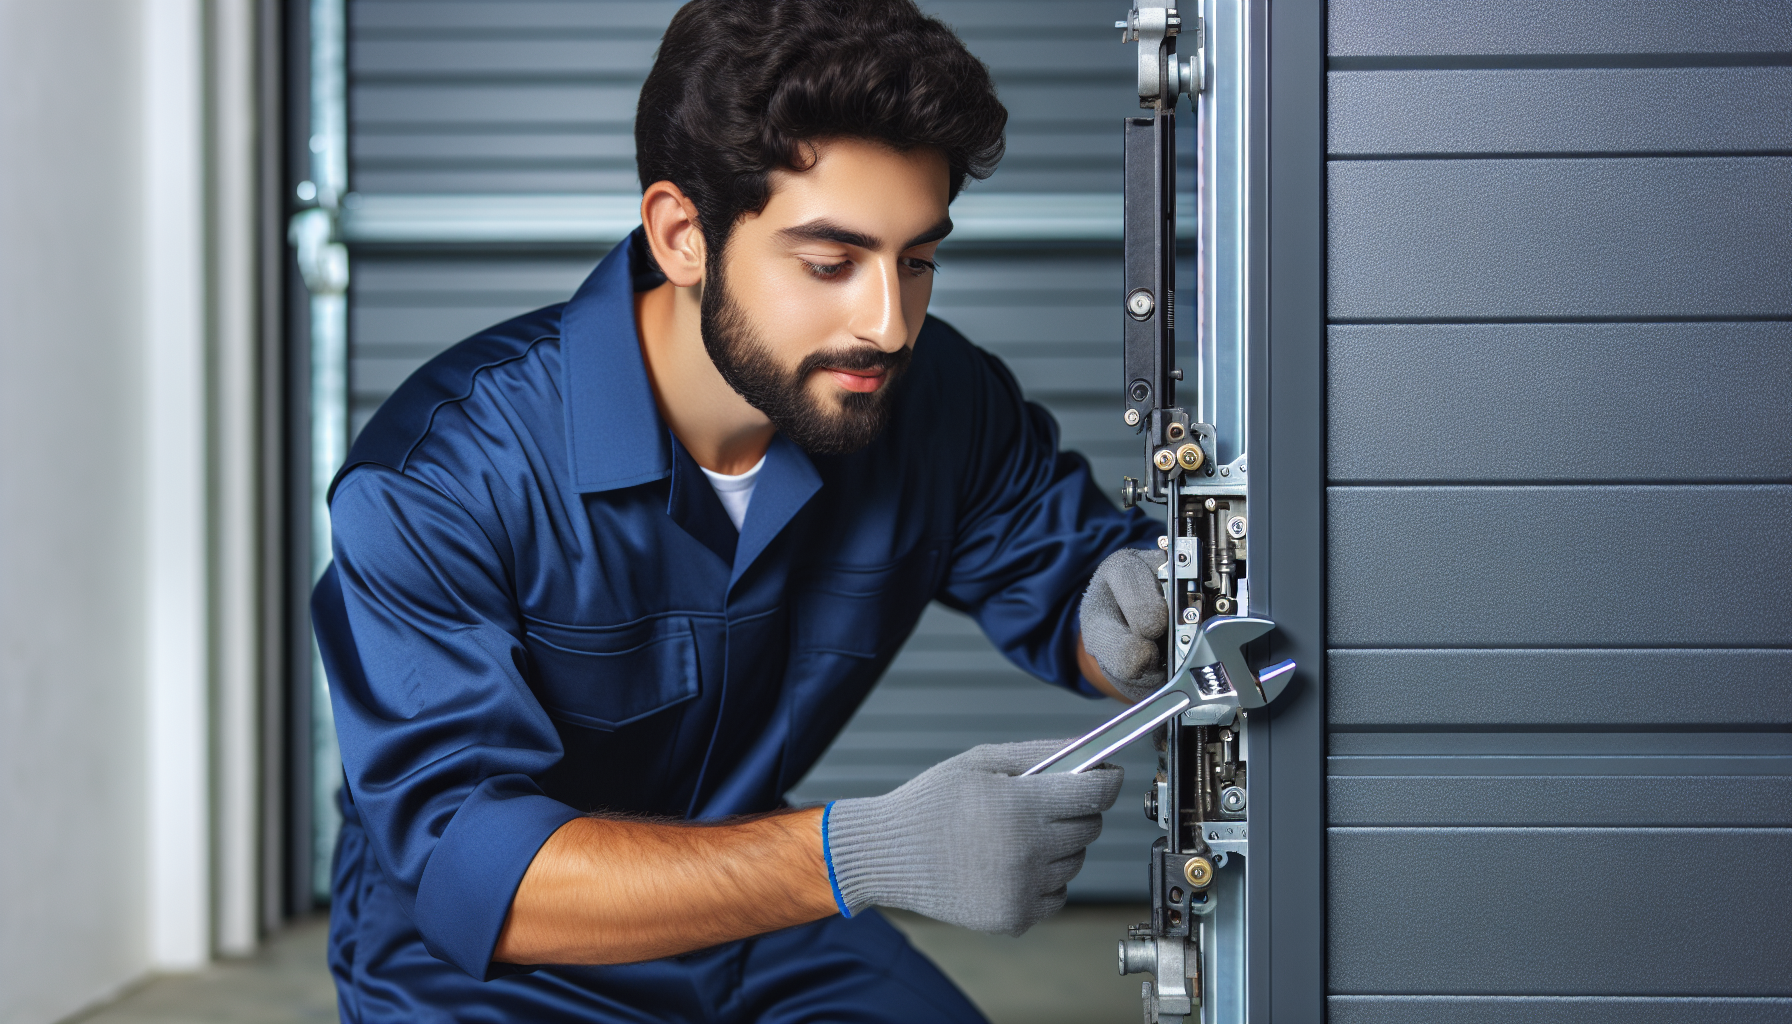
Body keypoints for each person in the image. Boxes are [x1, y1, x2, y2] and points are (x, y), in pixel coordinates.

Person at [313, 1, 1171, 1019]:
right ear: (683, 235)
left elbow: (1061, 567)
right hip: (491, 971)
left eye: (916, 258)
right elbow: (480, 875)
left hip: (759, 926)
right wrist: (863, 849)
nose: (888, 324)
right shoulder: (442, 477)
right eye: (829, 264)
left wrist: (1121, 610)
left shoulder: (929, 397)